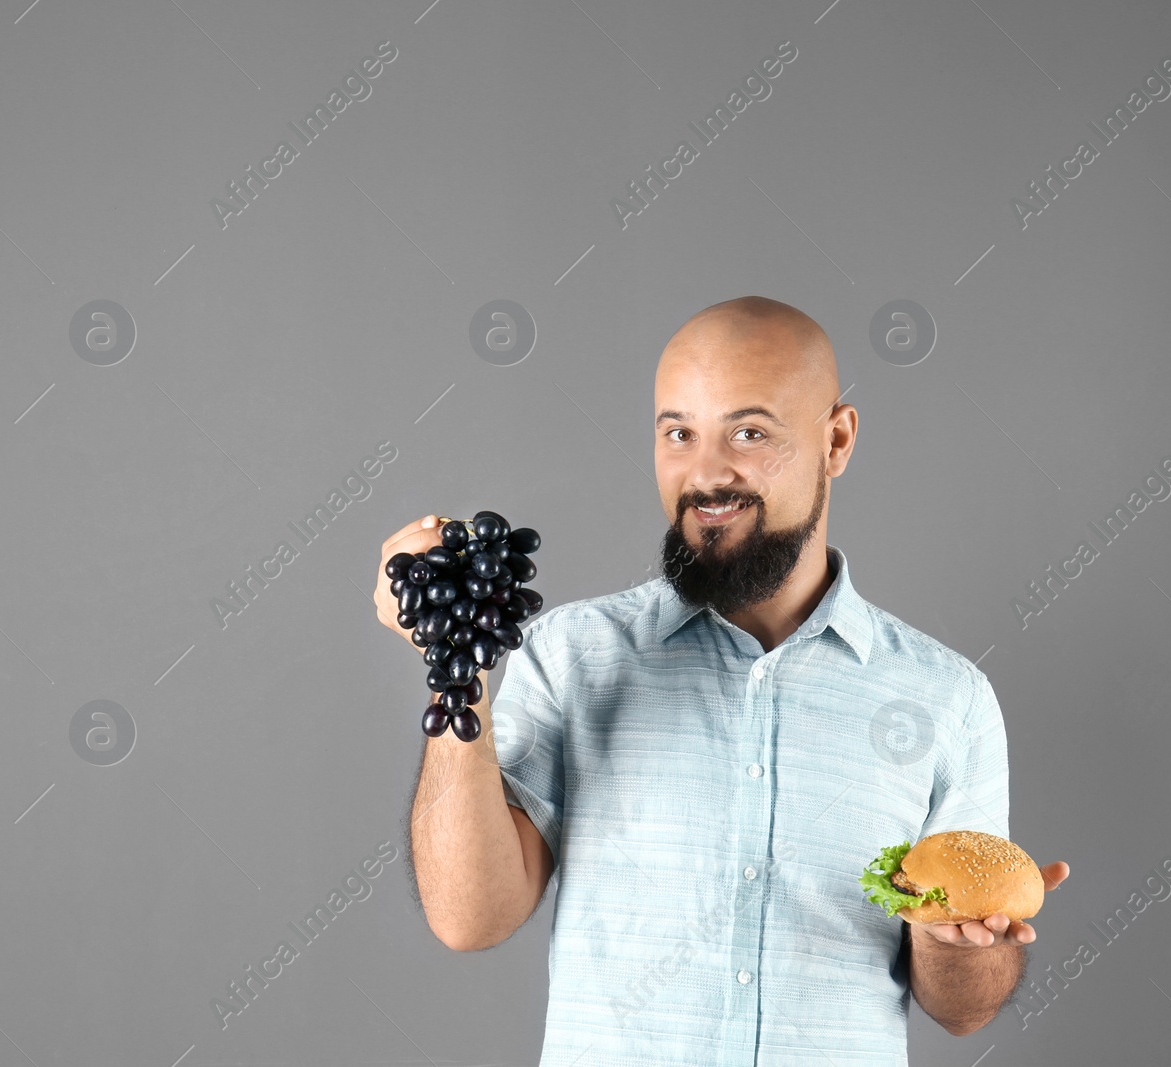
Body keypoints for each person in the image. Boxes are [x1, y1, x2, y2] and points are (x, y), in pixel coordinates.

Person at [380, 295, 1069, 1065]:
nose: (706, 472)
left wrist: (960, 943)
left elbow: (962, 1010)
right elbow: (469, 915)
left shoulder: (949, 699)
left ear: (835, 439)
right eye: (679, 432)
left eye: (749, 432)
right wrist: (454, 670)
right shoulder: (572, 654)